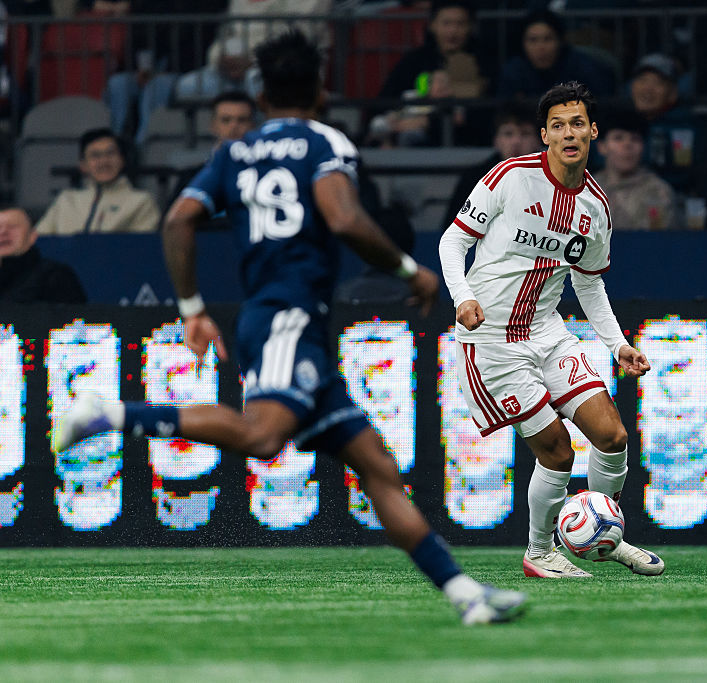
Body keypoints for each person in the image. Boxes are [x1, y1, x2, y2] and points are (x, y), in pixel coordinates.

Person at [52, 31, 526, 625]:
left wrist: (194, 307)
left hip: (282, 321)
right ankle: (110, 414)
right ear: (320, 90)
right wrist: (412, 270)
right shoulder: (324, 140)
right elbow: (344, 216)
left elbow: (178, 219)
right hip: (288, 318)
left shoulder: (236, 151)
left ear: (261, 92)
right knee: (262, 437)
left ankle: (466, 596)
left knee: (378, 468)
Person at [438, 81, 665, 579]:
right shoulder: (509, 177)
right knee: (558, 453)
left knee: (612, 435)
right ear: (544, 134)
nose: (569, 133)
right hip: (491, 341)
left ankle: (604, 536)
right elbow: (450, 244)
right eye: (558, 125)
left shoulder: (596, 208)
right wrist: (464, 298)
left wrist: (619, 343)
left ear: (593, 131)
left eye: (577, 123)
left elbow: (588, 284)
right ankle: (540, 553)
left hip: (547, 332)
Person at [370, 0, 495, 147]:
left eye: (460, 24)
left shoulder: (484, 61)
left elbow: (488, 111)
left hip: (469, 141)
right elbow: (385, 103)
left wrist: (429, 121)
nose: (453, 31)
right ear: (432, 25)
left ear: (471, 26)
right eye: (446, 23)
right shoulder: (414, 61)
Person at [103, 0, 227, 146]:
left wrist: (164, 71)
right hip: (148, 68)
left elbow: (197, 41)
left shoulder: (201, 6)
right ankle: (113, 145)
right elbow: (139, 35)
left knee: (155, 88)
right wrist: (142, 68)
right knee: (117, 84)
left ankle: (142, 145)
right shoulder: (149, 5)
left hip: (182, 71)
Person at [174, 0, 331, 103]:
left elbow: (298, 36)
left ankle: (263, 139)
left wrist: (252, 61)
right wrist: (220, 59)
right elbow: (225, 33)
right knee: (187, 85)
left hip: (288, 69)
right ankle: (216, 141)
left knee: (254, 78)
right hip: (233, 70)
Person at [35, 128, 161, 235]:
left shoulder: (141, 201)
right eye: (95, 155)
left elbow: (141, 250)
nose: (104, 162)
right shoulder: (66, 200)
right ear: (83, 165)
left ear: (122, 160)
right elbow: (39, 239)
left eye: (110, 153)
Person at [442, 102, 539, 228]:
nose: (516, 141)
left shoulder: (557, 179)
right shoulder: (475, 179)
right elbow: (453, 231)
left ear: (539, 140)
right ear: (496, 140)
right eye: (508, 134)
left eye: (525, 134)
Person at [166, 90, 258, 215]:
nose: (234, 126)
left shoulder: (265, 174)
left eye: (241, 120)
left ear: (253, 126)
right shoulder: (190, 178)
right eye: (226, 120)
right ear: (213, 125)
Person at [628, 53, 704, 198]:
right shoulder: (620, 123)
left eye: (657, 83)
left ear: (673, 93)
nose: (647, 89)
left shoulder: (686, 127)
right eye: (642, 80)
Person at [496, 10, 615, 99]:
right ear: (522, 43)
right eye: (533, 40)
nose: (540, 47)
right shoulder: (513, 71)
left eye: (548, 39)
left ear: (560, 41)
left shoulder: (584, 68)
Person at [593, 107, 677, 230]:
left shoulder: (658, 191)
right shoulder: (587, 190)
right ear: (602, 147)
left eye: (635, 139)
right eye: (618, 138)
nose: (627, 145)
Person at [0, 206, 87, 302]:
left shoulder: (55, 276)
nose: (3, 232)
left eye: (12, 226)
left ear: (32, 237)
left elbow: (77, 316)